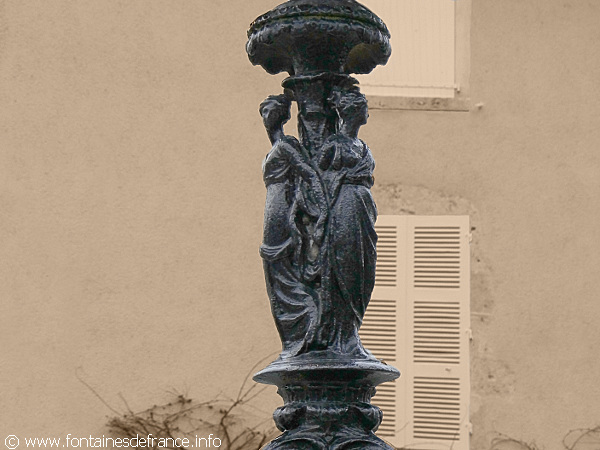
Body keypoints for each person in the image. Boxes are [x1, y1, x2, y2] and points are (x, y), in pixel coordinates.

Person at [259, 93, 328, 358]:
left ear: (282, 116)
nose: (267, 117)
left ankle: (308, 319)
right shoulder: (275, 146)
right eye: (265, 112)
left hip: (282, 208)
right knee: (274, 268)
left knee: (281, 265)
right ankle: (293, 333)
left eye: (271, 112)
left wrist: (322, 210)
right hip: (273, 208)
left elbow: (309, 174)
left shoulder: (287, 145)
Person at [317, 86, 377, 358]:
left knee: (364, 268)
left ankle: (353, 330)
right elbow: (321, 181)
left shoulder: (363, 147)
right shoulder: (333, 145)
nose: (367, 113)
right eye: (364, 108)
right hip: (344, 207)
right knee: (345, 262)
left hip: (363, 210)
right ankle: (341, 335)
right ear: (353, 112)